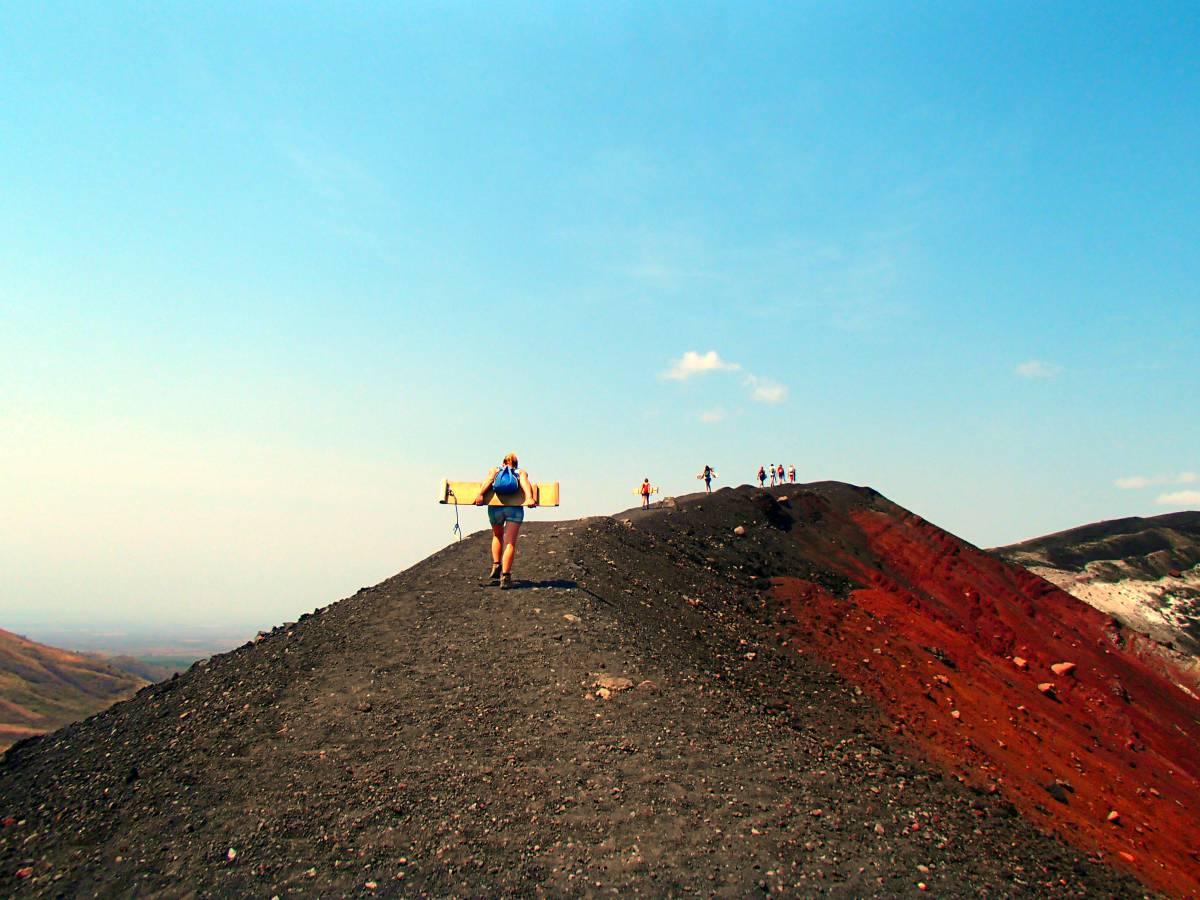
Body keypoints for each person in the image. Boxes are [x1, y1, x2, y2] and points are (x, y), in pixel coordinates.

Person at [473, 452, 538, 589]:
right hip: (514, 509)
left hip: (495, 508)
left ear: (503, 463)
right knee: (510, 542)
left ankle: (497, 564)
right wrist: (529, 498)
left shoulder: (495, 470)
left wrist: (480, 494)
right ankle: (505, 576)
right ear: (516, 464)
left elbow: (489, 480)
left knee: (497, 535)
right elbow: (525, 484)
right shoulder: (520, 472)